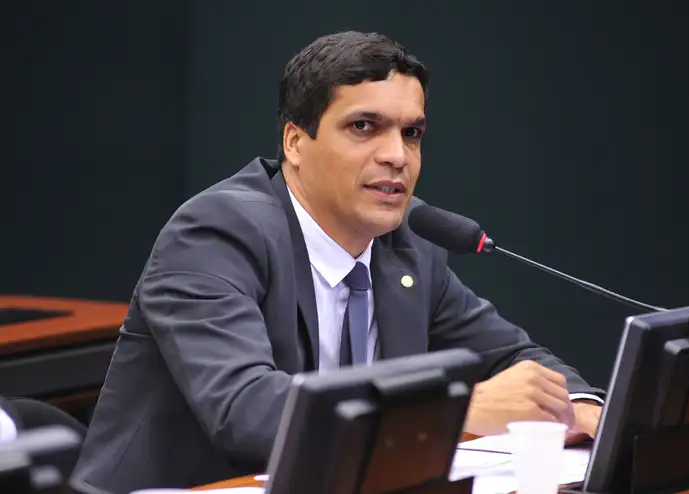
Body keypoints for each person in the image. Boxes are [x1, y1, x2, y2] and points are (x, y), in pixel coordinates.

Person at [72, 31, 604, 493]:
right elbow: (245, 411)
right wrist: (461, 410)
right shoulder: (216, 232)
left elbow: (509, 355)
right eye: (364, 127)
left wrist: (581, 407)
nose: (397, 155)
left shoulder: (409, 241)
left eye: (411, 133)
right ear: (295, 142)